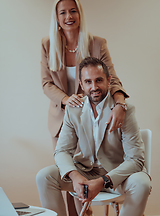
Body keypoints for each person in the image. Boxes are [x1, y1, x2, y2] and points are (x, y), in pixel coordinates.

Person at [37, 57, 151, 216]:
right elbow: (62, 151)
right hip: (85, 172)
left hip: (116, 174)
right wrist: (75, 177)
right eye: (88, 81)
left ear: (109, 80)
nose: (94, 87)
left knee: (142, 182)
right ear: (81, 84)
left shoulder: (124, 109)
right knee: (44, 176)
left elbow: (136, 159)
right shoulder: (73, 109)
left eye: (99, 80)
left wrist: (103, 181)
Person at [41, 0, 129, 152]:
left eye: (73, 11)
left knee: (88, 171)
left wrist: (120, 105)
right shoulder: (47, 44)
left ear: (80, 14)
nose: (69, 16)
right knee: (65, 171)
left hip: (92, 119)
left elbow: (113, 80)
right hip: (60, 121)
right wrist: (67, 100)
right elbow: (46, 84)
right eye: (63, 12)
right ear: (57, 18)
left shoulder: (97, 44)